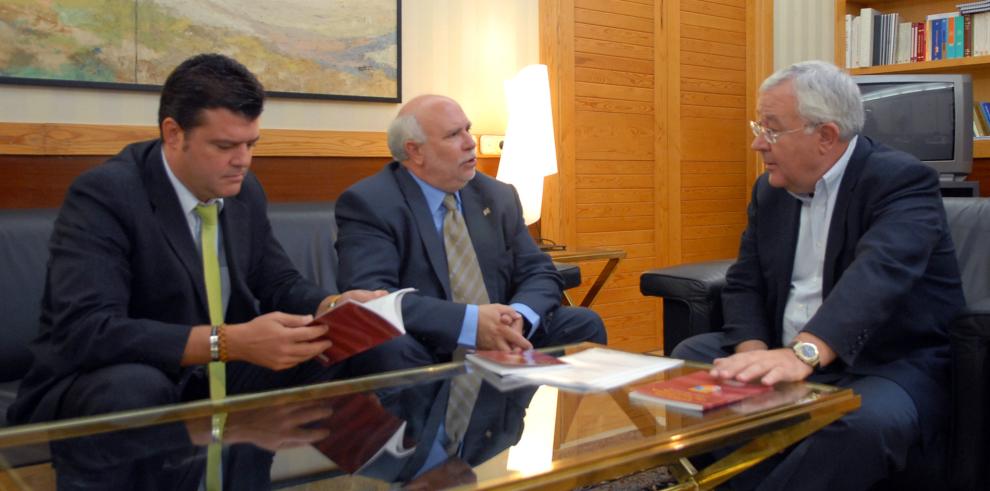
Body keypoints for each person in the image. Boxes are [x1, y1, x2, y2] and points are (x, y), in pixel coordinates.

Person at [8, 53, 386, 425]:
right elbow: (90, 330)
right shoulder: (106, 195)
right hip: (113, 377)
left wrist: (332, 304)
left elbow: (277, 281)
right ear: (173, 134)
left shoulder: (243, 190)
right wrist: (230, 342)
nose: (243, 160)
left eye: (251, 144)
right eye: (225, 147)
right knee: (134, 387)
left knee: (336, 354)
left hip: (214, 373)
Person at [671, 60, 965, 490]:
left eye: (771, 129)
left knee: (861, 423)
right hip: (785, 350)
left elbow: (879, 273)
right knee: (690, 361)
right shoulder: (772, 191)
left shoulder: (901, 181)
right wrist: (751, 356)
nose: (757, 143)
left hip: (885, 363)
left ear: (825, 135)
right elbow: (746, 281)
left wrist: (802, 355)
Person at [334, 94, 606, 364]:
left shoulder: (498, 196)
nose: (470, 142)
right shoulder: (371, 203)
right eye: (453, 135)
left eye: (468, 129)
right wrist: (471, 324)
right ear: (415, 151)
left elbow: (538, 270)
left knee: (583, 324)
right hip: (429, 342)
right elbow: (372, 297)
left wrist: (518, 316)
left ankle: (552, 408)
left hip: (507, 334)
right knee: (391, 349)